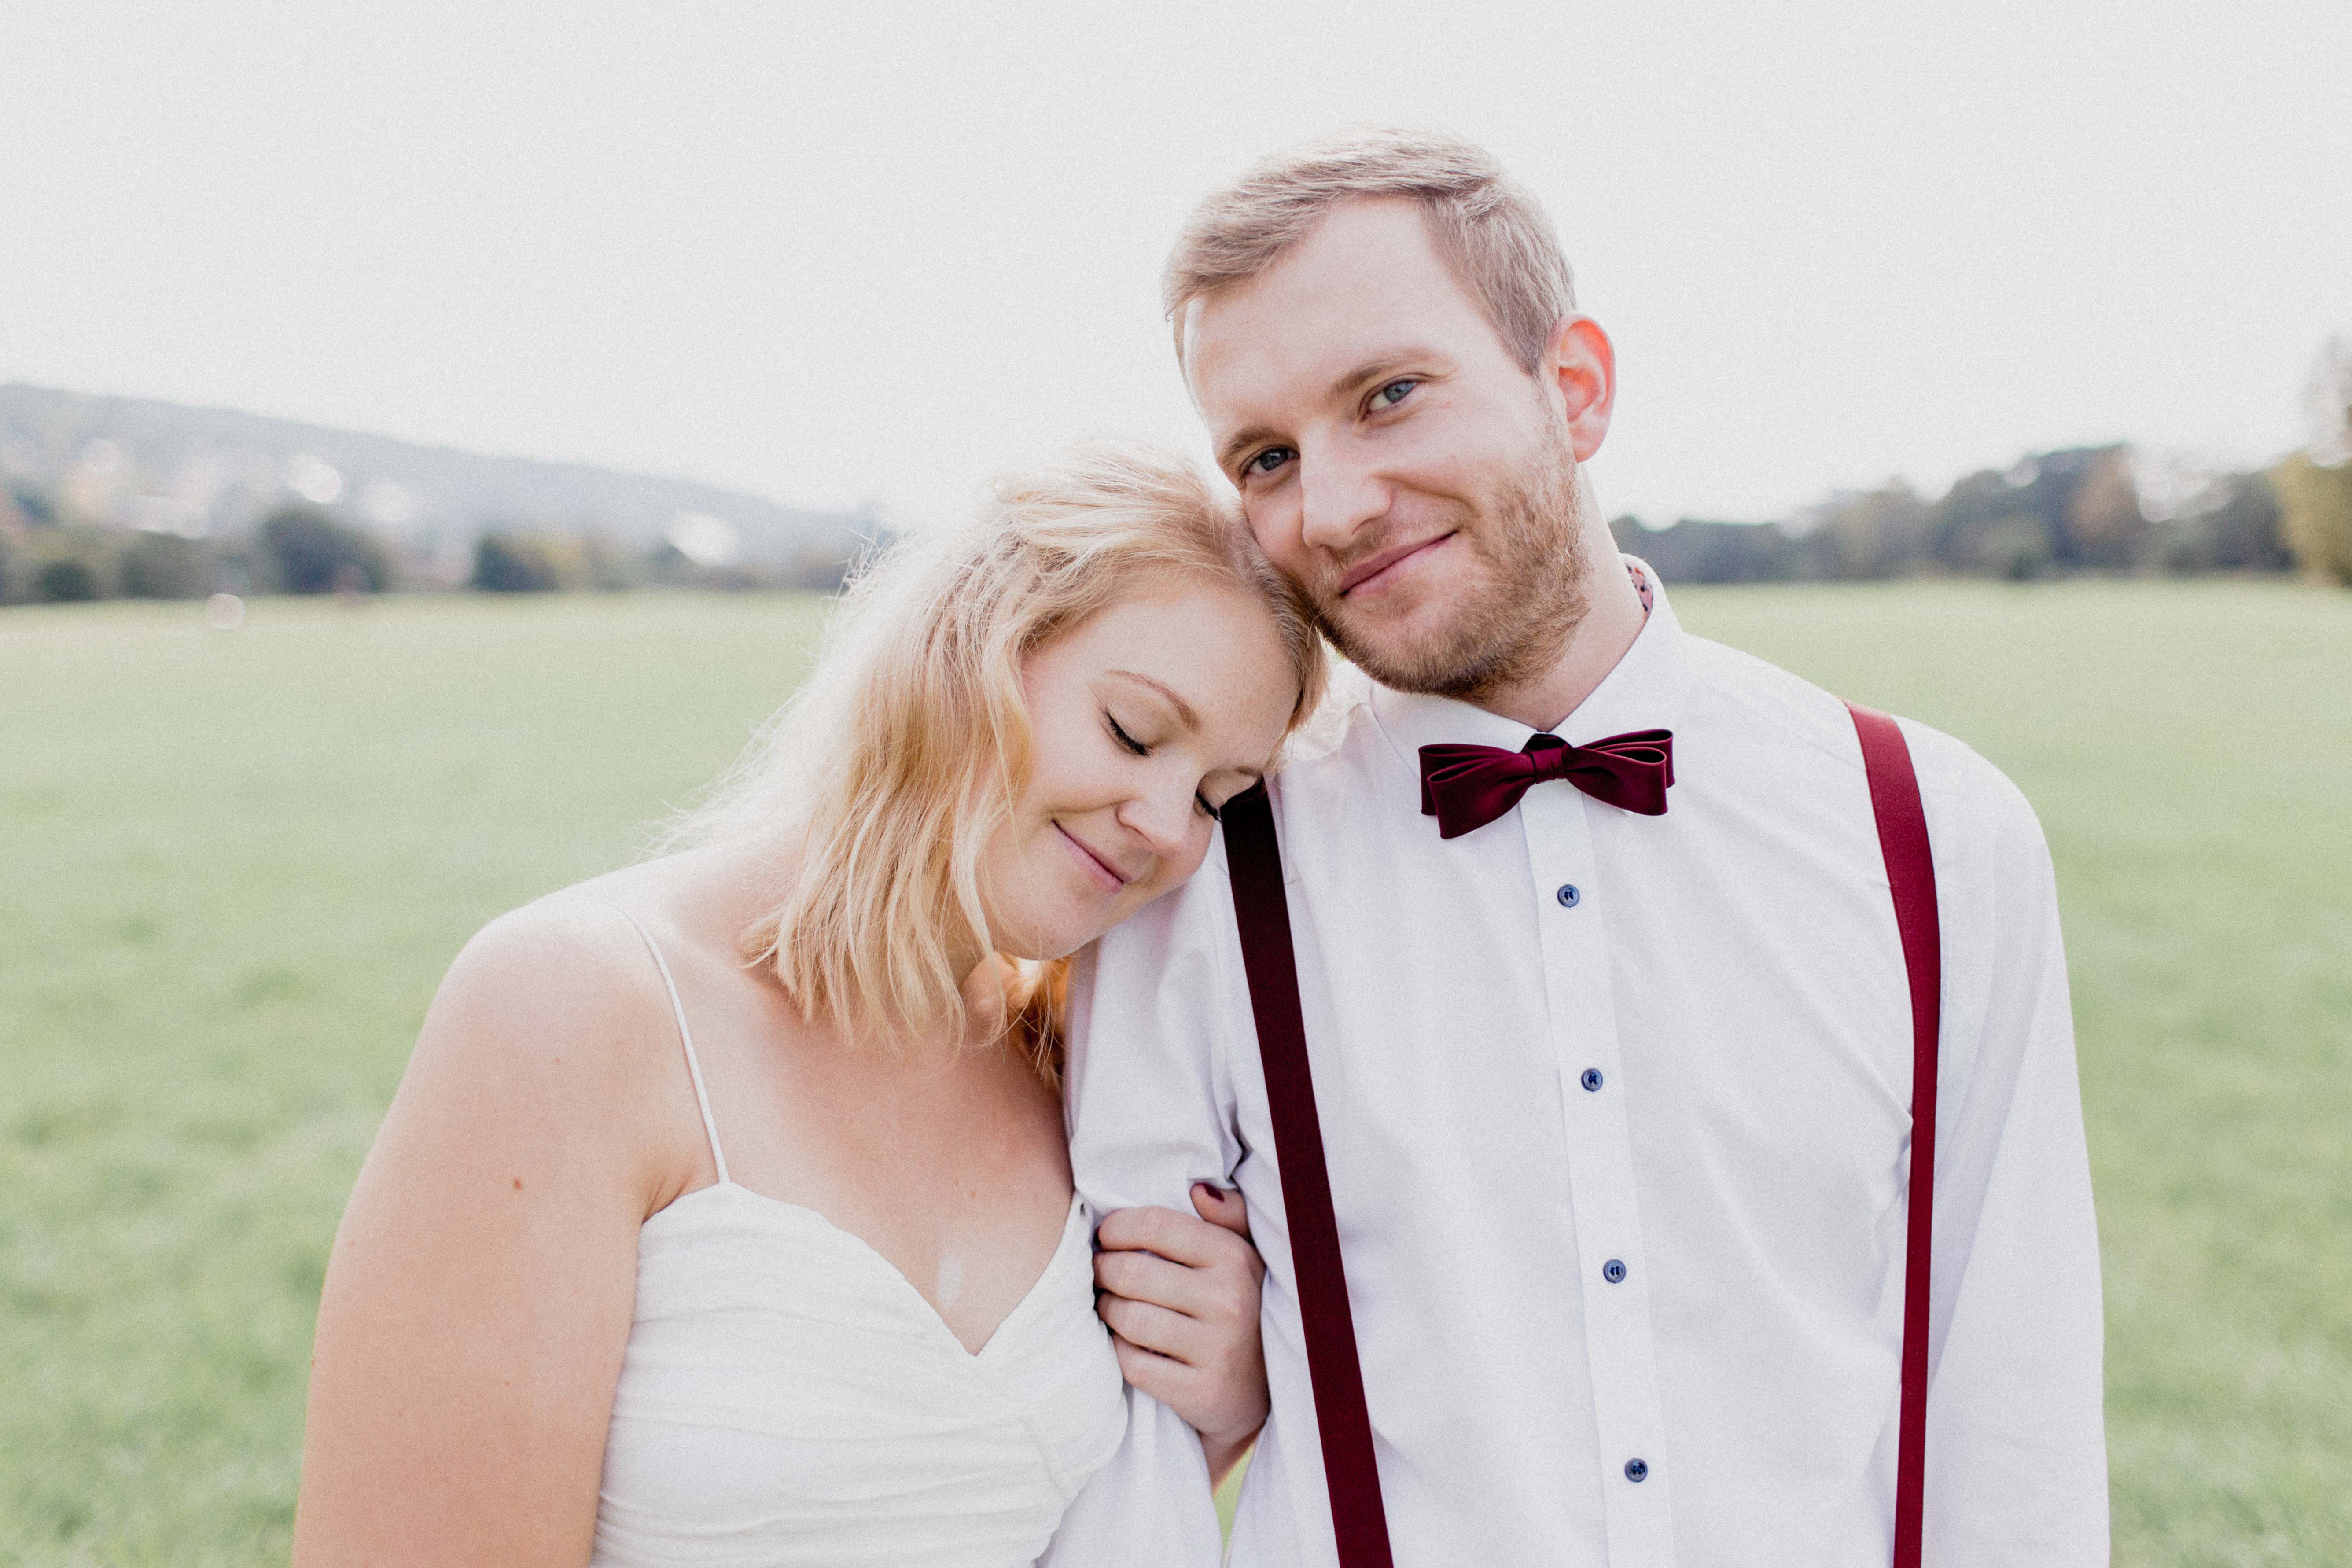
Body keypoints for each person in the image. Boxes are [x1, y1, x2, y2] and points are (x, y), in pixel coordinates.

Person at [1045, 129, 2107, 1565]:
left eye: (1391, 394)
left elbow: (2014, 1393)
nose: (1336, 505)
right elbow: (1133, 1473)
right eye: (1268, 457)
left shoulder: (1933, 829)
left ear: (1575, 385)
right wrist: (1256, 1381)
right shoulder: (1198, 872)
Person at [293, 443, 1325, 1567]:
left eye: (1219, 798)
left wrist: (1217, 1405)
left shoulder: (1079, 1075)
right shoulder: (573, 1008)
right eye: (1132, 731)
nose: (1169, 827)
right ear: (972, 641)